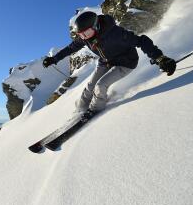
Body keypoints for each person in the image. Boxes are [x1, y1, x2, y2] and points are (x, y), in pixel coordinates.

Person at [42, 11, 176, 122]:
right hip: (106, 61)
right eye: (81, 35)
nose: (84, 37)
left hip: (126, 62)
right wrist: (54, 59)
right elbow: (70, 48)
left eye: (86, 33)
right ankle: (79, 111)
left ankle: (94, 109)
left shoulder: (116, 33)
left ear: (95, 26)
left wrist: (159, 57)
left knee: (100, 86)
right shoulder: (85, 38)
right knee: (90, 86)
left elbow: (142, 41)